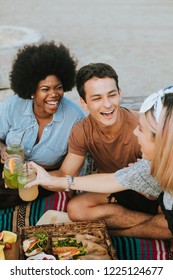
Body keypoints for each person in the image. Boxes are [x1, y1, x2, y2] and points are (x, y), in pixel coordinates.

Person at [26, 86, 173, 239]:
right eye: (97, 98)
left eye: (141, 129)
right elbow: (112, 180)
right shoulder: (150, 163)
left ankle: (160, 226)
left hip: (158, 208)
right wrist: (54, 180)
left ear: (163, 141)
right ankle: (162, 225)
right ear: (84, 103)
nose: (135, 132)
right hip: (145, 200)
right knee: (77, 208)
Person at [0, 41, 84, 208]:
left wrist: (39, 177)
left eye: (58, 88)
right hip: (8, 170)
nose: (54, 94)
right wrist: (3, 149)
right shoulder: (13, 106)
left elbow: (70, 171)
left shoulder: (74, 118)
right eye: (45, 89)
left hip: (45, 178)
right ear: (32, 91)